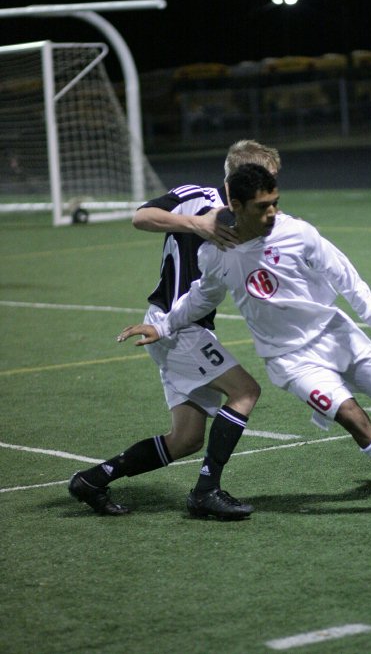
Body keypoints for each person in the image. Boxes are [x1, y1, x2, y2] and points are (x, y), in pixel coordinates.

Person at [118, 163, 371, 520]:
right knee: (353, 419)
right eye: (263, 206)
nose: (272, 211)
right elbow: (202, 296)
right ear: (237, 205)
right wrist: (164, 326)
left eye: (275, 202)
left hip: (335, 336)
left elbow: (342, 272)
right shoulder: (215, 253)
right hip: (290, 360)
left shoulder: (298, 233)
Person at [68, 140, 281, 520]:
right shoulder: (195, 198)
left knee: (185, 439)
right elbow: (141, 216)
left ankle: (91, 480)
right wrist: (196, 224)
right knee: (245, 391)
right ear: (239, 178)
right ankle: (206, 492)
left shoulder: (251, 216)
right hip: (175, 325)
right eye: (265, 180)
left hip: (184, 325)